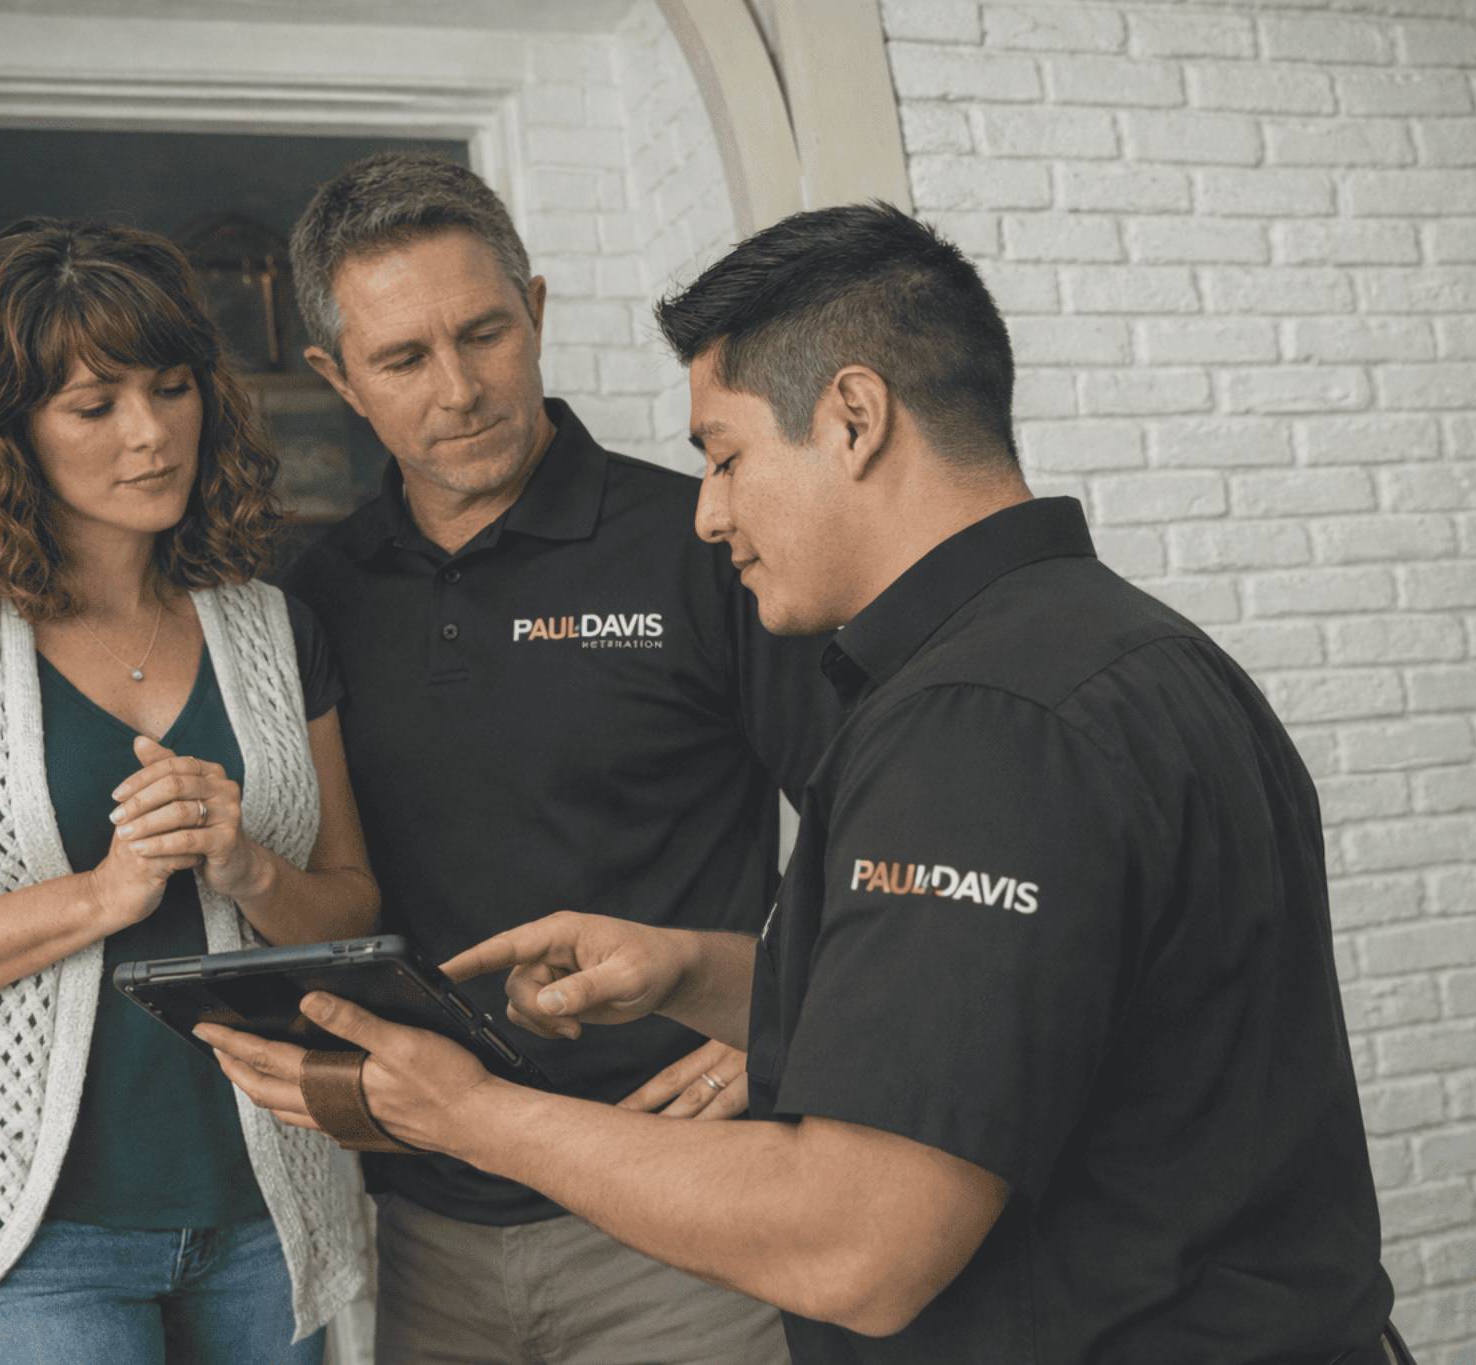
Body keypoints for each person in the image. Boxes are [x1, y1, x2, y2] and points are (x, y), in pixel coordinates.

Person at [205, 203, 1410, 1365]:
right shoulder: (1131, 650)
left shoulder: (977, 728)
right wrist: (713, 976)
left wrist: (468, 1112)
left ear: (850, 419)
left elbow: (858, 1244)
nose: (711, 513)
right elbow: (995, 1012)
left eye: (723, 458)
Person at [276, 153, 838, 1363]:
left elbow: (879, 812)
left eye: (483, 332)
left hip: (682, 1202)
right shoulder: (311, 600)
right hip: (427, 1220)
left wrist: (782, 1025)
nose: (461, 388)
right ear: (336, 378)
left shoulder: (697, 539)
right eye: (403, 359)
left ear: (533, 310)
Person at [0, 219, 375, 1365]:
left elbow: (352, 910)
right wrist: (101, 897)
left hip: (268, 1211)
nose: (153, 434)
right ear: (7, 429)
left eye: (171, 388)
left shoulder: (272, 629)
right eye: (94, 405)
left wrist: (248, 864)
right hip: (31, 1243)